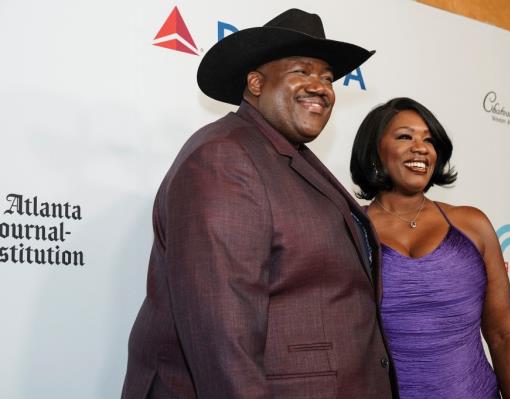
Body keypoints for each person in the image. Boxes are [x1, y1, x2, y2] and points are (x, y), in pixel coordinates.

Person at [122, 9, 396, 399]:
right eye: (302, 71)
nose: (321, 87)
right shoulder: (224, 158)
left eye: (328, 77)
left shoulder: (286, 156)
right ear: (255, 83)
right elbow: (222, 336)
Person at [350, 97, 510, 398]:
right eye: (405, 136)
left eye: (429, 140)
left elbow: (503, 334)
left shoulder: (472, 224)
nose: (421, 147)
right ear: (375, 150)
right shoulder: (352, 229)